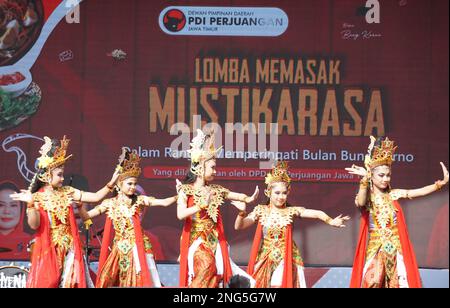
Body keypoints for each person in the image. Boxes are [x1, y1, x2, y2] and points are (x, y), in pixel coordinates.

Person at [10, 136, 119, 288]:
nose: (62, 178)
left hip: (71, 250)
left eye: (62, 174)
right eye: (59, 175)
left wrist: (112, 182)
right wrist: (30, 204)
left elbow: (95, 197)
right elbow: (34, 225)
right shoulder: (37, 196)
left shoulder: (68, 191)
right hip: (50, 251)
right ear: (48, 175)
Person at [345, 136, 449, 288]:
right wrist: (364, 180)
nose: (385, 179)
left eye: (388, 175)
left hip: (395, 249)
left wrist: (440, 184)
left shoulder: (394, 194)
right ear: (372, 176)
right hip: (376, 249)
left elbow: (417, 192)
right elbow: (360, 202)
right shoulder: (368, 199)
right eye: (381, 175)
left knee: (398, 284)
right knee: (372, 282)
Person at [234, 161, 349, 288]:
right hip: (266, 256)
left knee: (278, 284)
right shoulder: (260, 210)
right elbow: (239, 226)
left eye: (284, 193)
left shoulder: (291, 211)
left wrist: (330, 221)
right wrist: (241, 212)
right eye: (277, 193)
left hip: (287, 257)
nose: (281, 196)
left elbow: (316, 213)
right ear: (268, 193)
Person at [84, 149, 178, 288]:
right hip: (120, 249)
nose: (133, 187)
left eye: (134, 184)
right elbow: (87, 216)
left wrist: (178, 196)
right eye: (129, 184)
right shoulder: (110, 203)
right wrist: (79, 208)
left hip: (139, 247)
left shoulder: (139, 200)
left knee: (139, 280)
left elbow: (163, 202)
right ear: (119, 185)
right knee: (108, 279)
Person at [177, 129, 258, 288]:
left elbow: (236, 195)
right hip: (197, 242)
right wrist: (201, 205)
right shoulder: (186, 190)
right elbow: (181, 214)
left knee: (238, 281)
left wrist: (248, 198)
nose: (215, 171)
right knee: (207, 267)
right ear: (200, 167)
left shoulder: (215, 190)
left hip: (215, 242)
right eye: (212, 167)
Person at [0, 181, 32, 260]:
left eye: (13, 205)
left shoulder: (31, 242)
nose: (7, 211)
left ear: (21, 209)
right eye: (1, 205)